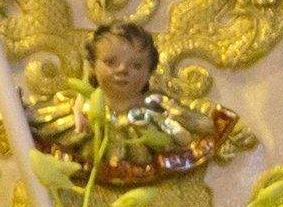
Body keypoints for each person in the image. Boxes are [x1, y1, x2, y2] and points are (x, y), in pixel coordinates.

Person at [26, 22, 241, 188]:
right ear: (92, 66)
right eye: (110, 62)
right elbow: (36, 120)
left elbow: (198, 125)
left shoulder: (161, 111)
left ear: (150, 71)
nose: (122, 70)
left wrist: (226, 130)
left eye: (136, 65)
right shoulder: (73, 113)